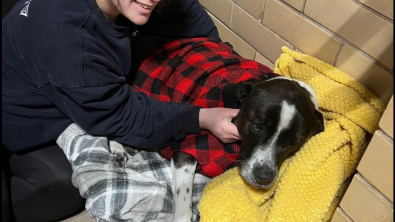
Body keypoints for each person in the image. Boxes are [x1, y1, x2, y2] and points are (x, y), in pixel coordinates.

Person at [1, 0, 242, 221]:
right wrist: (201, 117)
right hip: (23, 125)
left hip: (67, 77)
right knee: (63, 186)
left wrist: (224, 68)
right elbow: (122, 117)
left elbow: (197, 27)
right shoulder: (68, 37)